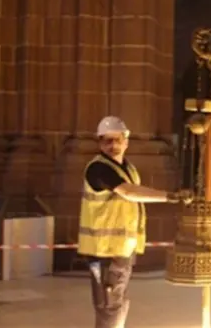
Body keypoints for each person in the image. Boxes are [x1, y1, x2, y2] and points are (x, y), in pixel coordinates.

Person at [78, 116, 194, 328]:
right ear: (100, 143)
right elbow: (129, 192)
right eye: (107, 140)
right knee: (109, 305)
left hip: (121, 250)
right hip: (103, 253)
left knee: (117, 302)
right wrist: (170, 196)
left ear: (126, 141)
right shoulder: (98, 169)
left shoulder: (128, 168)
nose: (113, 145)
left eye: (117, 139)